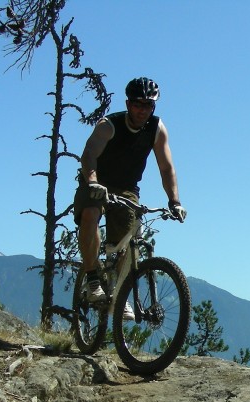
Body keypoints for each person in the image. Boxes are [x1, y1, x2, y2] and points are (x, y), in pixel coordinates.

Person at [73, 76, 186, 319]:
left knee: (128, 238)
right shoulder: (109, 125)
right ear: (128, 103)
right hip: (96, 181)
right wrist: (93, 182)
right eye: (137, 104)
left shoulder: (156, 129)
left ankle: (117, 292)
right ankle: (92, 278)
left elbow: (166, 168)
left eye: (147, 105)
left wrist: (174, 201)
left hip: (127, 189)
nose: (142, 110)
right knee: (91, 213)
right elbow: (89, 155)